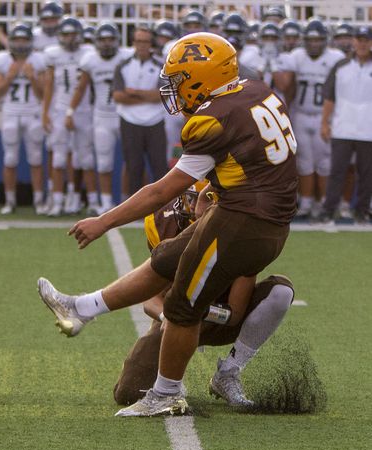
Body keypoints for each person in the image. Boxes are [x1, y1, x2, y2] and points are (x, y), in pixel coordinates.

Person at [38, 32, 298, 416]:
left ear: (200, 77)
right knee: (166, 260)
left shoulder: (212, 119)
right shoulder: (256, 90)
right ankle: (81, 308)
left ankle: (165, 394)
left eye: (178, 81)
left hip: (242, 221)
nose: (172, 89)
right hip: (266, 221)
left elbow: (161, 192)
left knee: (180, 309)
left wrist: (104, 222)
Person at [113, 186, 295, 406]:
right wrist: (170, 318)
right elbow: (151, 298)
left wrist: (197, 312)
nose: (197, 207)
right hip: (173, 318)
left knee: (281, 292)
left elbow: (235, 313)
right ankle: (167, 378)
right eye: (193, 200)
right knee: (130, 392)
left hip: (216, 316)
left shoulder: (242, 230)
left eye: (210, 202)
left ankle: (228, 373)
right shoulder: (166, 224)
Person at [277, 19, 345, 219]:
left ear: (325, 40)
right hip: (300, 113)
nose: (314, 44)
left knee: (324, 162)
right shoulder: (296, 56)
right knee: (304, 161)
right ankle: (306, 202)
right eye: (311, 40)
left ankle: (323, 202)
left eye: (318, 40)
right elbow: (287, 87)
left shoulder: (335, 58)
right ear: (304, 40)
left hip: (324, 115)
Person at [71, 22, 130, 215]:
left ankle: (126, 200)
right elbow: (81, 88)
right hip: (102, 116)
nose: (106, 43)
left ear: (117, 40)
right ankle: (105, 203)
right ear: (96, 42)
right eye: (103, 39)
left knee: (132, 160)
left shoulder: (126, 56)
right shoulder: (90, 60)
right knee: (104, 161)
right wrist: (70, 111)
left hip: (125, 114)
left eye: (110, 39)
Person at [0, 23, 47, 215]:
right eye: (17, 39)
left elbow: (43, 94)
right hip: (11, 112)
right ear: (11, 41)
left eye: (25, 39)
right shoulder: (2, 60)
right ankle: (10, 201)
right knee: (10, 158)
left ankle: (39, 201)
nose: (21, 44)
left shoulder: (39, 60)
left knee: (36, 158)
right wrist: (9, 77)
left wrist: (33, 77)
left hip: (33, 112)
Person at [42, 17, 94, 217]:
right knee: (58, 158)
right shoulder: (52, 54)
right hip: (59, 108)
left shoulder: (88, 53)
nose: (70, 38)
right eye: (65, 34)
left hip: (84, 109)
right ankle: (57, 200)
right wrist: (45, 112)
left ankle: (79, 198)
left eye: (73, 33)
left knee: (83, 158)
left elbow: (85, 86)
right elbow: (49, 85)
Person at [320, 25, 372, 224]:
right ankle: (329, 210)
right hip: (342, 127)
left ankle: (362, 212)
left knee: (366, 175)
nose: (362, 44)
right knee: (337, 172)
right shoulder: (340, 66)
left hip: (369, 129)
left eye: (366, 40)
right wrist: (325, 122)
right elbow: (329, 97)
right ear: (354, 42)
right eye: (359, 40)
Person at [112, 25, 168, 197]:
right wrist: (147, 96)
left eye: (145, 41)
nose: (142, 45)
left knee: (159, 166)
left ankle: (164, 208)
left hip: (155, 120)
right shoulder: (122, 65)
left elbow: (161, 95)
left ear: (151, 43)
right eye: (138, 41)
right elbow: (118, 96)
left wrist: (134, 92)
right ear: (133, 42)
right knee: (133, 166)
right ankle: (134, 210)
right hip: (129, 120)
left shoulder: (161, 65)